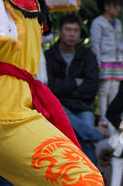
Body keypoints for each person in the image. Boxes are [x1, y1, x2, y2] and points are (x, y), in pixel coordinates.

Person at [44, 15, 103, 162]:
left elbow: (92, 86)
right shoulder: (49, 56)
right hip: (59, 106)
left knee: (83, 134)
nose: (72, 34)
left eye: (75, 30)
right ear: (60, 32)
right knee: (73, 125)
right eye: (68, 29)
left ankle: (92, 178)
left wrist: (65, 87)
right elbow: (50, 86)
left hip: (82, 106)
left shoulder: (88, 56)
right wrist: (75, 82)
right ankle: (99, 138)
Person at [89, 0, 123, 122]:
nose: (119, 8)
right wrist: (97, 62)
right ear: (106, 6)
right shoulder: (98, 23)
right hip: (104, 61)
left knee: (115, 89)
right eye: (116, 5)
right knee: (104, 89)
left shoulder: (119, 23)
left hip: (117, 61)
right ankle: (103, 117)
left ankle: (112, 116)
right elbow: (95, 44)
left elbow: (121, 42)